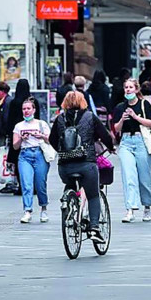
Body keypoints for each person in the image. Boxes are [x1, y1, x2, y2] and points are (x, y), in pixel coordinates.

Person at [49, 91, 114, 243]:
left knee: (70, 183)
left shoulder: (60, 118)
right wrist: (111, 147)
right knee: (93, 195)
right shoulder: (90, 117)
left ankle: (69, 204)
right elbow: (105, 136)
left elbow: (52, 140)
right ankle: (94, 228)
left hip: (64, 167)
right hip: (87, 164)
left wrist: (63, 151)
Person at [114, 78, 151, 222]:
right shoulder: (120, 107)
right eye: (126, 87)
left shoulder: (144, 104)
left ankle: (147, 206)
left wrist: (135, 117)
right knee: (128, 175)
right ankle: (130, 209)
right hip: (126, 142)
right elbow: (116, 128)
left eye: (131, 87)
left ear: (137, 89)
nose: (128, 90)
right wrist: (122, 119)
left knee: (144, 176)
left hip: (141, 141)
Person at [13, 98, 52, 223]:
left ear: (34, 110)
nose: (26, 111)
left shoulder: (42, 124)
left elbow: (51, 140)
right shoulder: (19, 126)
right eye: (24, 109)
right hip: (25, 155)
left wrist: (42, 136)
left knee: (40, 184)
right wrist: (21, 138)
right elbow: (15, 146)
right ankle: (27, 210)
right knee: (26, 184)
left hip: (40, 153)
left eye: (28, 108)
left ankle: (43, 208)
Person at [4, 78, 32, 195]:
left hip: (17, 136)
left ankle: (22, 186)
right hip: (31, 136)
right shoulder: (32, 103)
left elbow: (10, 121)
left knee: (19, 162)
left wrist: (9, 135)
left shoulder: (14, 103)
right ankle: (32, 186)